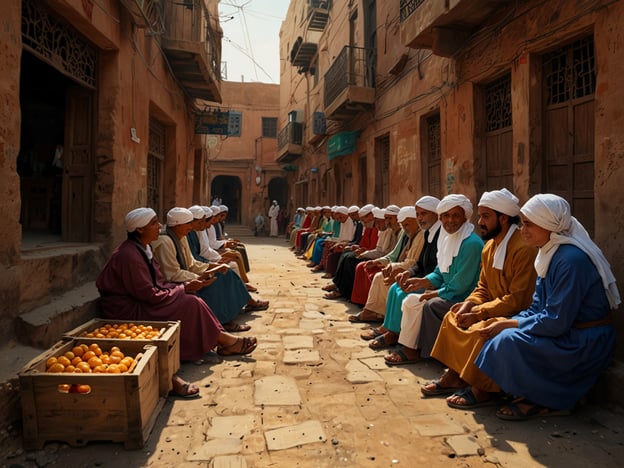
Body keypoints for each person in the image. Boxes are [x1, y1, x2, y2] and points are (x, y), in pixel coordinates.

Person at [473, 194, 619, 420]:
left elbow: (557, 320)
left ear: (549, 225)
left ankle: (546, 400)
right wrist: (507, 322)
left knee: (507, 340)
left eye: (529, 224)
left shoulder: (570, 260)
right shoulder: (548, 254)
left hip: (583, 338)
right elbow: (538, 307)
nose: (522, 230)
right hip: (566, 329)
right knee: (497, 331)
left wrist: (511, 323)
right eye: (522, 223)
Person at [96, 208, 259, 398]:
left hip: (147, 298)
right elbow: (149, 294)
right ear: (140, 230)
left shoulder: (144, 248)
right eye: (154, 223)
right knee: (190, 303)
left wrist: (189, 284)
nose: (159, 227)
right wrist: (184, 288)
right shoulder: (130, 255)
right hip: (128, 309)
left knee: (193, 300)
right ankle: (224, 340)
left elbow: (160, 282)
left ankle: (222, 339)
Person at [416, 189, 537, 408]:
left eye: (485, 216)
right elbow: (483, 287)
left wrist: (479, 313)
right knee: (452, 317)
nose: (480, 221)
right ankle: (455, 375)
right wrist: (469, 304)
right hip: (492, 306)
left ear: (503, 218)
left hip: (516, 312)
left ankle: (481, 390)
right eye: (479, 216)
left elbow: (518, 299)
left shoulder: (523, 250)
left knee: (480, 329)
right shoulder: (489, 247)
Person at [384, 194, 483, 365]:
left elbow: (460, 285)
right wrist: (421, 282)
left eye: (455, 215)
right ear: (440, 217)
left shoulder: (471, 243)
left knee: (428, 304)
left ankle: (424, 351)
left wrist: (432, 294)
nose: (450, 220)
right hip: (449, 291)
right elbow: (439, 272)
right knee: (411, 300)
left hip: (464, 297)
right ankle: (410, 348)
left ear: (465, 217)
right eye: (445, 216)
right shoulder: (447, 239)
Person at [152, 207, 269, 332]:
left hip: (188, 274)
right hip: (175, 283)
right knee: (214, 284)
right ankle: (222, 322)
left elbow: (191, 263)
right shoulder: (165, 242)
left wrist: (211, 267)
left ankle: (242, 304)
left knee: (226, 273)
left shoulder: (181, 236)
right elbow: (172, 274)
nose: (190, 227)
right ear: (178, 225)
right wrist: (200, 277)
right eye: (188, 224)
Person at [363, 196, 441, 348]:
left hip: (434, 281)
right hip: (425, 276)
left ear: (435, 214)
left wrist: (421, 279)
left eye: (424, 214)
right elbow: (418, 263)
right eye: (418, 214)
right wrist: (409, 273)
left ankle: (397, 334)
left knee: (404, 293)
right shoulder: (428, 233)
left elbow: (440, 269)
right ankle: (390, 328)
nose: (420, 218)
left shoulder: (439, 236)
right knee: (395, 288)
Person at [350, 205, 425, 323]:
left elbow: (412, 261)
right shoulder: (406, 233)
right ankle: (370, 310)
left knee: (381, 277)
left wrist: (391, 265)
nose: (404, 227)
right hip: (400, 265)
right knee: (375, 273)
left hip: (412, 270)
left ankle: (383, 314)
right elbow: (394, 253)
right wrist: (377, 261)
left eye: (389, 218)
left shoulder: (420, 235)